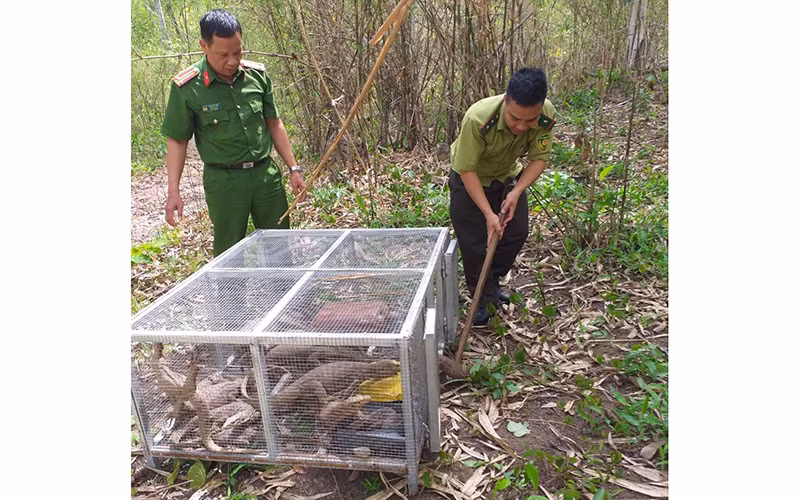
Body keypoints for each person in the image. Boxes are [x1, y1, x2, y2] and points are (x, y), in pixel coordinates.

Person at [161, 9, 307, 257]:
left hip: (265, 177)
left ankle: (282, 293)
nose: (232, 61)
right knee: (230, 254)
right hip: (224, 182)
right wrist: (173, 191)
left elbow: (274, 123)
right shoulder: (188, 87)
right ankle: (231, 297)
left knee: (280, 247)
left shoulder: (257, 77)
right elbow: (177, 139)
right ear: (203, 47)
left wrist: (293, 168)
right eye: (223, 54)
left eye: (238, 52)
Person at [449, 67, 556, 325]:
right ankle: (480, 296)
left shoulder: (546, 115)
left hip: (508, 177)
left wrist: (518, 191)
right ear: (505, 100)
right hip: (470, 180)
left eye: (530, 121)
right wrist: (488, 213)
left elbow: (539, 158)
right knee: (475, 244)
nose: (521, 127)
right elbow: (467, 169)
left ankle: (491, 283)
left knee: (516, 232)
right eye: (514, 118)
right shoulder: (478, 119)